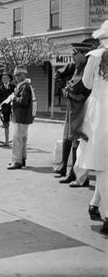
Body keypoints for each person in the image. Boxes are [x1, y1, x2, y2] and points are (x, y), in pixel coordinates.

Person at [73, 21, 108, 233]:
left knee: (101, 162)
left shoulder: (95, 57)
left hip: (100, 110)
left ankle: (101, 209)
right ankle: (96, 206)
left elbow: (86, 84)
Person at [54, 42, 92, 183]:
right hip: (73, 107)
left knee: (77, 140)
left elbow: (84, 89)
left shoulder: (88, 69)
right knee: (70, 137)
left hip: (82, 109)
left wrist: (71, 92)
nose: (72, 56)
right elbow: (70, 88)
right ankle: (72, 172)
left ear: (83, 54)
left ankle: (76, 174)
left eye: (75, 53)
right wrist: (68, 91)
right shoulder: (76, 67)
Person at [7, 66, 34, 170]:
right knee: (22, 138)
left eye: (19, 75)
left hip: (21, 116)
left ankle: (17, 161)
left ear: (25, 75)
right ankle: (22, 159)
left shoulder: (24, 86)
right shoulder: (26, 85)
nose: (17, 77)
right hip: (24, 116)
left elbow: (23, 101)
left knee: (17, 139)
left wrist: (14, 98)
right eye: (16, 75)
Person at [0, 69, 16, 146]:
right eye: (3, 78)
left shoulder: (13, 87)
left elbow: (16, 95)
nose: (4, 79)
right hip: (5, 107)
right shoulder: (0, 88)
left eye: (6, 78)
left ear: (9, 79)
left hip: (13, 107)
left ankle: (17, 140)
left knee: (17, 124)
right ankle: (6, 140)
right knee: (6, 124)